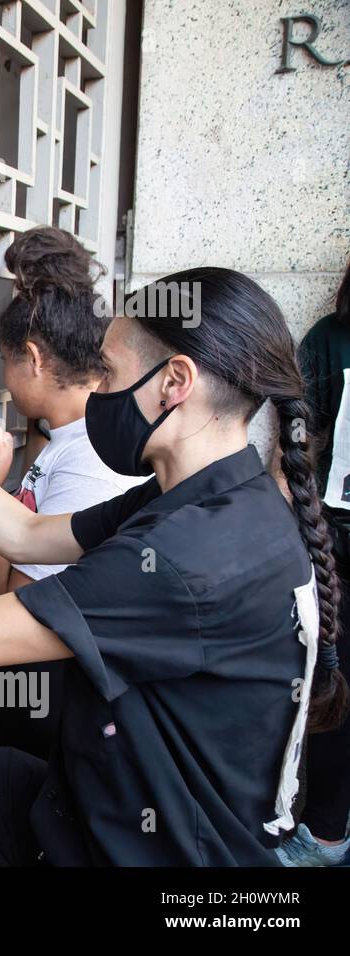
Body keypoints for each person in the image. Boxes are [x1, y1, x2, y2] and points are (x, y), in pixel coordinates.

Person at [0, 267, 348, 865]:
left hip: (156, 853)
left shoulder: (188, 556)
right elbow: (25, 534)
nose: (95, 389)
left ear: (174, 381)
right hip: (113, 798)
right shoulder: (214, 496)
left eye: (109, 372)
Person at [0, 227, 143, 759]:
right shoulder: (81, 435)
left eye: (4, 359)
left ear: (34, 358)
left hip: (53, 703)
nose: (3, 376)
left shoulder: (89, 462)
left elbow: (12, 603)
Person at [275, 259, 350, 866]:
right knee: (335, 696)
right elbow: (291, 450)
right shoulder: (329, 341)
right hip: (337, 556)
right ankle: (324, 838)